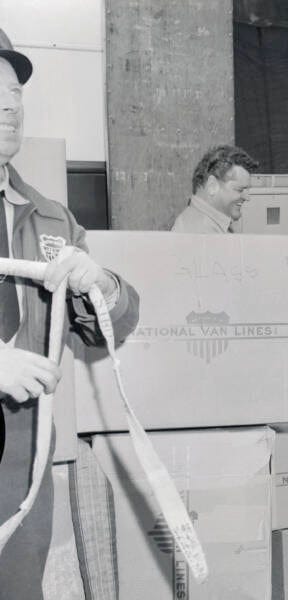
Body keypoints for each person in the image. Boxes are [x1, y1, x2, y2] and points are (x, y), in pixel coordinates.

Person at [0, 29, 139, 599]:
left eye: (15, 92)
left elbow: (117, 324)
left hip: (20, 454)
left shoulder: (52, 220)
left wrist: (99, 282)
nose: (10, 104)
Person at [171, 144, 258, 233]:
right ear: (212, 186)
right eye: (240, 190)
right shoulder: (201, 231)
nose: (247, 197)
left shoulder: (203, 223)